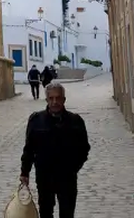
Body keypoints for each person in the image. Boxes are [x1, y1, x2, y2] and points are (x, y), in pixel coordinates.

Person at [19, 82, 90, 218]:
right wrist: (24, 172)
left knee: (67, 212)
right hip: (45, 176)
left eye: (58, 98)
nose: (55, 102)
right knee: (45, 212)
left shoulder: (75, 121)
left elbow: (84, 148)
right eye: (51, 98)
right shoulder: (36, 120)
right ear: (47, 100)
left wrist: (74, 166)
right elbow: (29, 148)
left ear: (64, 99)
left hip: (67, 177)